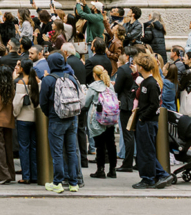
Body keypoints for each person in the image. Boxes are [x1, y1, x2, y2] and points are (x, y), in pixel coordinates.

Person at [39, 52, 82, 193]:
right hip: (72, 118)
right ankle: (73, 183)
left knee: (57, 153)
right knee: (71, 151)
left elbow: (43, 102)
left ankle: (57, 182)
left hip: (56, 118)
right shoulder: (71, 77)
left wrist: (50, 114)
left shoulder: (48, 80)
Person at [132, 53, 173, 189]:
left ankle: (150, 177)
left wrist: (142, 117)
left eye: (138, 65)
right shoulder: (147, 82)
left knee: (147, 151)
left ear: (142, 67)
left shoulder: (151, 84)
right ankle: (157, 174)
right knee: (145, 150)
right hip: (146, 120)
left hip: (148, 121)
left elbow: (154, 104)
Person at [83, 64, 118, 179]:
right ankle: (113, 170)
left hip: (98, 118)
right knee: (111, 143)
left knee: (100, 145)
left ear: (94, 74)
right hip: (110, 117)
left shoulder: (93, 87)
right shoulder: (109, 86)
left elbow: (86, 103)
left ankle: (100, 170)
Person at [14, 60, 38, 184]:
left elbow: (17, 103)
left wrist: (15, 114)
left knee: (24, 147)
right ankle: (35, 174)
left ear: (22, 69)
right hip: (35, 118)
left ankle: (26, 175)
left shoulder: (20, 82)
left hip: (23, 118)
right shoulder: (37, 81)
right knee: (34, 147)